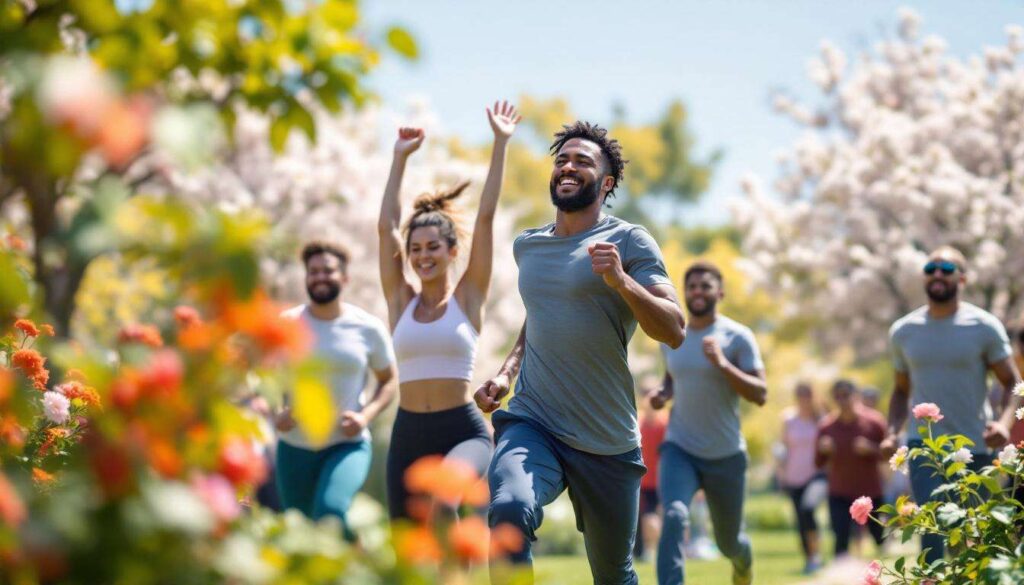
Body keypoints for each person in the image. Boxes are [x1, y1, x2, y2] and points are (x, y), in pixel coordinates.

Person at [475, 120, 686, 584]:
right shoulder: (529, 246)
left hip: (605, 438)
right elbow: (539, 316)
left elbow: (673, 330)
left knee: (614, 575)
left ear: (606, 183)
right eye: (562, 160)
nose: (568, 167)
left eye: (582, 161)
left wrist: (622, 281)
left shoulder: (629, 240)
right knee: (509, 510)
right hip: (534, 420)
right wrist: (507, 372)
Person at [378, 102, 521, 522]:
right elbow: (386, 227)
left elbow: (486, 218)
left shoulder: (468, 298)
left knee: (444, 503)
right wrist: (399, 158)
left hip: (463, 432)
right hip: (407, 431)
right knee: (406, 543)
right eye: (415, 249)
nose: (423, 256)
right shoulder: (400, 301)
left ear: (452, 251)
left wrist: (500, 143)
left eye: (433, 247)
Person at [881, 246, 1023, 563]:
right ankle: (931, 579)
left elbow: (1013, 384)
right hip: (924, 446)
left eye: (946, 268)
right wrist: (892, 433)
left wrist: (1004, 424)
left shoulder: (984, 327)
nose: (937, 274)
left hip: (975, 446)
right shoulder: (904, 331)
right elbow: (901, 390)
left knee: (966, 536)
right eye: (930, 269)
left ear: (962, 278)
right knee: (932, 525)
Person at [647, 261, 767, 585]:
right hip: (680, 448)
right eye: (692, 287)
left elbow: (760, 394)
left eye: (705, 286)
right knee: (674, 515)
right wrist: (662, 393)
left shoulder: (738, 336)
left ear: (720, 292)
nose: (697, 292)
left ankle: (742, 562)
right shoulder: (673, 334)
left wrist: (723, 364)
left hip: (725, 454)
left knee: (729, 543)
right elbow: (672, 378)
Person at [274, 242, 398, 541]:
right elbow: (265, 376)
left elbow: (389, 380)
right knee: (299, 534)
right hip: (294, 447)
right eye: (313, 271)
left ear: (344, 277)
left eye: (328, 271)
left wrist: (365, 416)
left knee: (330, 512)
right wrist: (276, 412)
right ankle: (356, 554)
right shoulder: (287, 325)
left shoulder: (367, 328)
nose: (320, 277)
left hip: (347, 444)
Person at [815, 380, 886, 559]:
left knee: (880, 538)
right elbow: (817, 463)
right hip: (839, 492)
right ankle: (841, 572)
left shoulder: (874, 422)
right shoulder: (827, 427)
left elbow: (889, 455)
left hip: (870, 492)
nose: (842, 400)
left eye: (846, 395)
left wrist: (871, 448)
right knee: (841, 540)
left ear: (856, 396)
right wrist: (823, 450)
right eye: (837, 397)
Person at [779, 382, 824, 574]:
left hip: (816, 475)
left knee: (808, 509)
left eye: (807, 394)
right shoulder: (788, 419)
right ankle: (809, 557)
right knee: (800, 520)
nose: (803, 399)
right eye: (800, 395)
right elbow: (783, 448)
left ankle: (816, 554)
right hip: (793, 476)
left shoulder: (821, 419)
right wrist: (781, 473)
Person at [635, 397, 667, 563]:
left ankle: (651, 549)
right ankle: (653, 549)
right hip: (653, 480)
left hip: (651, 480)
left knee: (649, 517)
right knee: (653, 516)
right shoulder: (662, 424)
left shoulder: (653, 426)